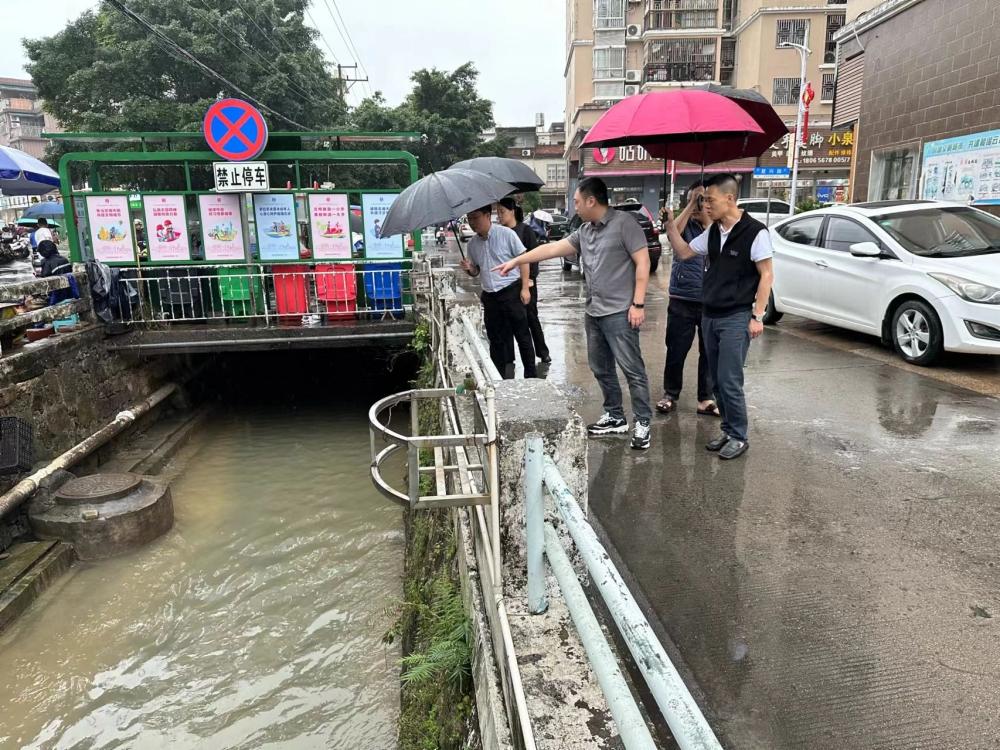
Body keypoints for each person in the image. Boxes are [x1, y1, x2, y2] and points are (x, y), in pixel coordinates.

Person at [494, 177, 653, 450]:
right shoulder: (585, 230)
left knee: (632, 369)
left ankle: (643, 422)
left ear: (592, 200)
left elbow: (643, 262)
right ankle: (615, 416)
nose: (575, 207)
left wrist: (638, 304)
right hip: (594, 311)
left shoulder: (625, 224)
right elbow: (553, 248)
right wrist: (518, 260)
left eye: (577, 202)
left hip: (620, 312)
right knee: (600, 367)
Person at [663, 173, 775, 460]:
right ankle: (727, 429)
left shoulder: (755, 232)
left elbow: (766, 275)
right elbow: (685, 252)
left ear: (729, 198)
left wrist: (757, 316)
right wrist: (670, 223)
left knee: (728, 378)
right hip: (709, 314)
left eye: (709, 200)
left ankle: (739, 435)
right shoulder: (714, 232)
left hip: (736, 316)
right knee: (716, 380)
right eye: (703, 201)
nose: (706, 206)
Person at [656, 181, 719, 418]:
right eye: (695, 199)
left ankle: (706, 398)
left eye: (704, 199)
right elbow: (674, 233)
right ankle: (670, 394)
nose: (699, 204)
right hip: (682, 297)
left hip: (710, 301)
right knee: (676, 349)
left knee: (709, 351)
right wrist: (692, 201)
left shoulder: (718, 228)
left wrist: (708, 214)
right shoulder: (686, 224)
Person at [460, 205, 537, 379]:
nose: (472, 223)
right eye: (469, 219)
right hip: (490, 297)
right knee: (495, 340)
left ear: (488, 215)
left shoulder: (507, 234)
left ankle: (531, 377)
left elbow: (524, 260)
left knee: (522, 335)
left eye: (475, 217)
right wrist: (469, 268)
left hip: (511, 291)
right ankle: (498, 379)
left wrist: (525, 288)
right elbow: (476, 272)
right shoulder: (472, 244)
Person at [496, 198, 551, 364]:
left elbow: (533, 257)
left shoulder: (525, 230)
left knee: (531, 319)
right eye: (497, 213)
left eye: (502, 212)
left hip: (527, 283)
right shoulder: (500, 233)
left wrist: (529, 281)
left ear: (512, 210)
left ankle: (542, 352)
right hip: (508, 285)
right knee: (509, 321)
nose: (499, 216)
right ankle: (509, 357)